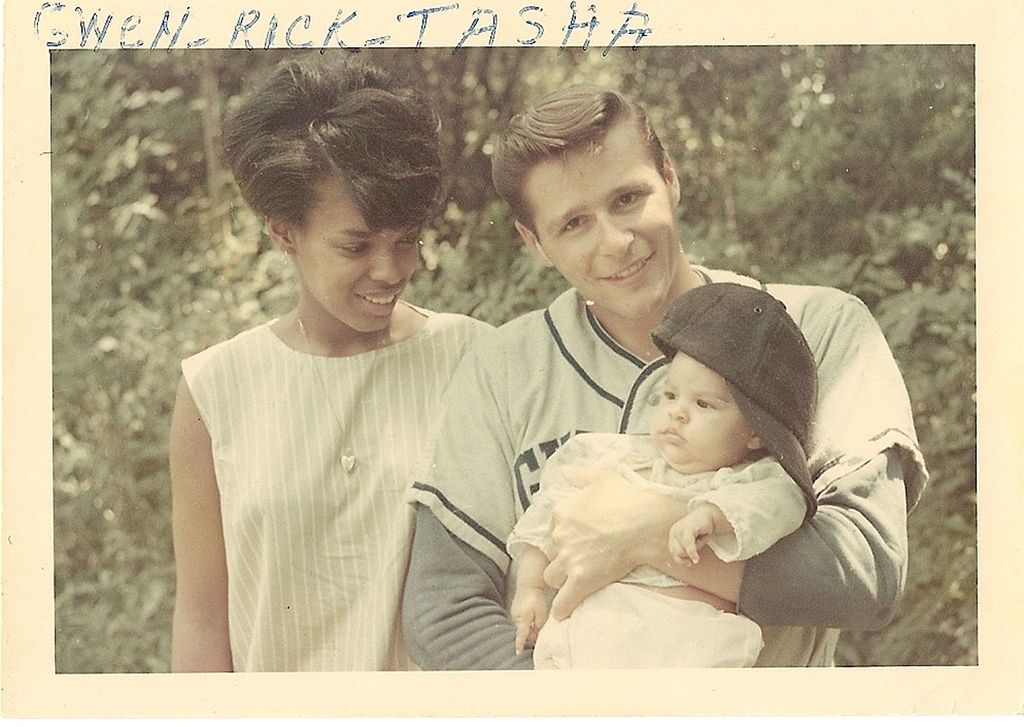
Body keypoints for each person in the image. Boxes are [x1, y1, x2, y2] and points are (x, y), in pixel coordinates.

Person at [403, 85, 928, 669]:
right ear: (535, 242)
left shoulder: (818, 327)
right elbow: (441, 606)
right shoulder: (502, 369)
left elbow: (868, 569)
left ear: (670, 179)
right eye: (574, 223)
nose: (616, 241)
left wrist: (649, 532)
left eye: (628, 198)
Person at [168, 54, 491, 672]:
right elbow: (204, 618)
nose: (391, 269)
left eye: (406, 239)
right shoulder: (213, 390)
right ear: (284, 232)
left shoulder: (471, 357)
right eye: (355, 245)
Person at [508, 283, 817, 669]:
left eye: (704, 404)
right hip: (594, 630)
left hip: (684, 637)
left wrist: (711, 516)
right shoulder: (619, 456)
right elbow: (552, 507)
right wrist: (531, 587)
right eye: (670, 396)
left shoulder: (750, 478)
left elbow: (780, 504)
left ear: (756, 431)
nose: (678, 413)